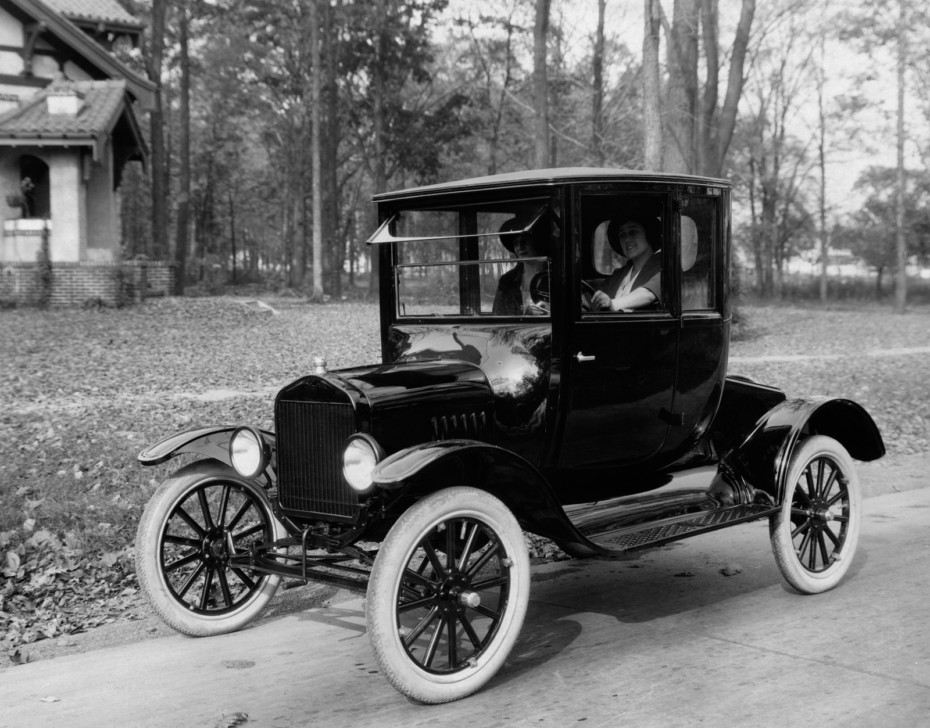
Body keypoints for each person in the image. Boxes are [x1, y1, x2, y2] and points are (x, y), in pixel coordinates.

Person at [590, 216, 661, 312]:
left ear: (649, 233)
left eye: (633, 232)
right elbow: (594, 296)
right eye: (622, 235)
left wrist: (612, 304)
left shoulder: (665, 268)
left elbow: (648, 295)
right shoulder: (618, 275)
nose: (627, 239)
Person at [492, 217, 549, 315]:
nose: (519, 247)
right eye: (516, 243)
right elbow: (498, 317)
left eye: (524, 241)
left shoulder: (555, 276)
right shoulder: (507, 281)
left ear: (536, 242)